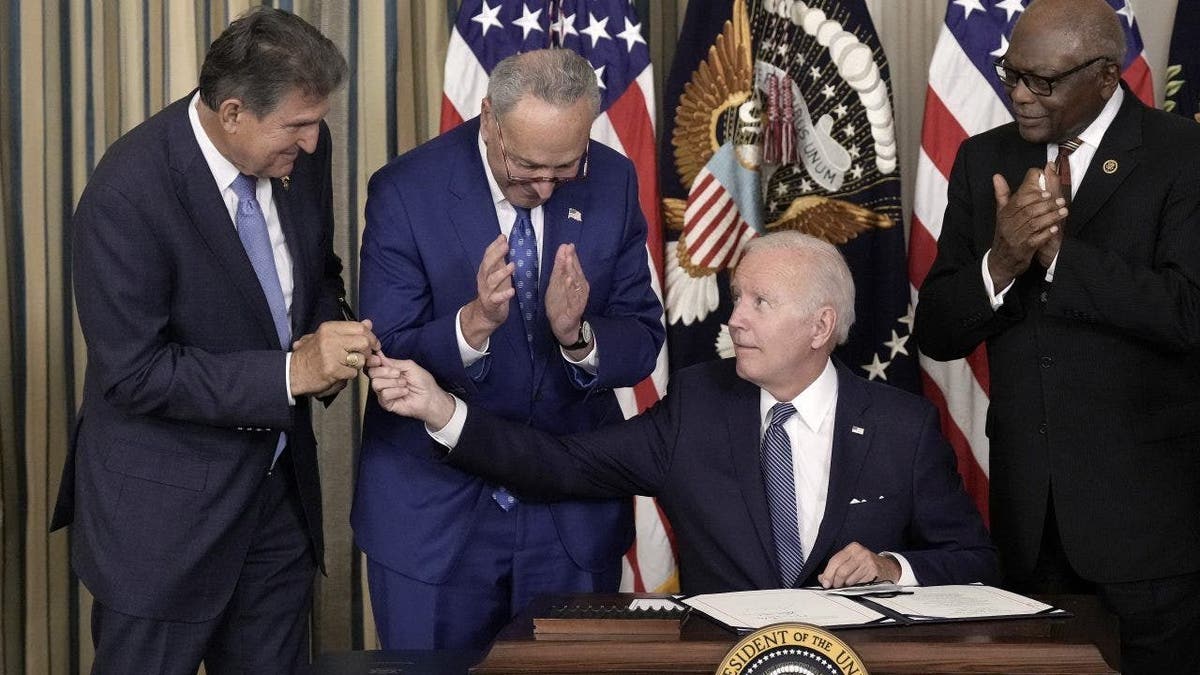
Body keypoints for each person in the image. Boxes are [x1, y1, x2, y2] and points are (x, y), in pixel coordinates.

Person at [368, 231, 999, 596]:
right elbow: (560, 464)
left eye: (760, 302)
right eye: (735, 298)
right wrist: (442, 409)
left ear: (821, 326)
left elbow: (973, 558)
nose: (735, 318)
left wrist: (892, 567)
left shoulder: (900, 426)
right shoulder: (699, 404)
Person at [49, 8, 378, 673]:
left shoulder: (299, 151)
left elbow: (315, 267)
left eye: (318, 122)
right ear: (231, 113)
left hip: (278, 508)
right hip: (163, 524)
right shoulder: (126, 194)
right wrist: (290, 373)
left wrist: (326, 334)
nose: (314, 143)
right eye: (298, 125)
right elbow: (135, 373)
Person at [913, 0, 1200, 670]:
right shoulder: (986, 157)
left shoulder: (1181, 155)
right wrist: (1001, 262)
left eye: (1041, 81)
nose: (1018, 93)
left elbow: (1188, 312)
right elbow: (938, 329)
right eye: (1011, 73)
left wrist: (1061, 256)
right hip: (1029, 527)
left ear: (1105, 77)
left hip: (1150, 535)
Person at [354, 48, 665, 650]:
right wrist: (470, 326)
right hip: (437, 516)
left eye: (564, 167)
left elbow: (643, 339)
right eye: (526, 166)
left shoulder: (613, 180)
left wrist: (578, 336)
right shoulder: (406, 189)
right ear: (488, 120)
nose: (545, 186)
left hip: (569, 516)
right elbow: (384, 351)